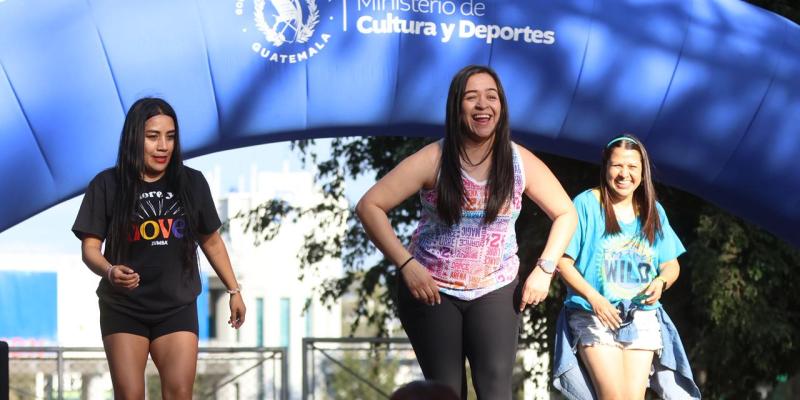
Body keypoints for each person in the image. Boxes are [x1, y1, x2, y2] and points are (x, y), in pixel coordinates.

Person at [356, 65, 577, 399]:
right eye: (471, 98)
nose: (482, 105)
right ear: (457, 107)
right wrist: (406, 265)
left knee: (494, 389)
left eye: (491, 96)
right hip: (431, 288)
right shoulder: (434, 158)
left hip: (495, 287)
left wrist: (545, 270)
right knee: (446, 392)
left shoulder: (519, 161)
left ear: (501, 106)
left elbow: (566, 212)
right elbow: (369, 206)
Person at [72, 97, 245, 400]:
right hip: (123, 308)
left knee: (179, 392)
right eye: (153, 137)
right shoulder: (106, 184)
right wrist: (110, 271)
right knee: (130, 394)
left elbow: (211, 241)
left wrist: (234, 290)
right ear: (134, 138)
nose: (163, 146)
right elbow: (90, 249)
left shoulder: (192, 183)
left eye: (170, 136)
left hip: (176, 306)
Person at [552, 134, 700, 399]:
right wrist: (594, 298)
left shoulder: (653, 211)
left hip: (641, 317)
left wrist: (661, 282)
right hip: (594, 315)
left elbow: (671, 265)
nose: (624, 174)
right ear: (605, 167)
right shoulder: (585, 204)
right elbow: (562, 262)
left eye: (632, 167)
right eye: (617, 165)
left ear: (643, 173)